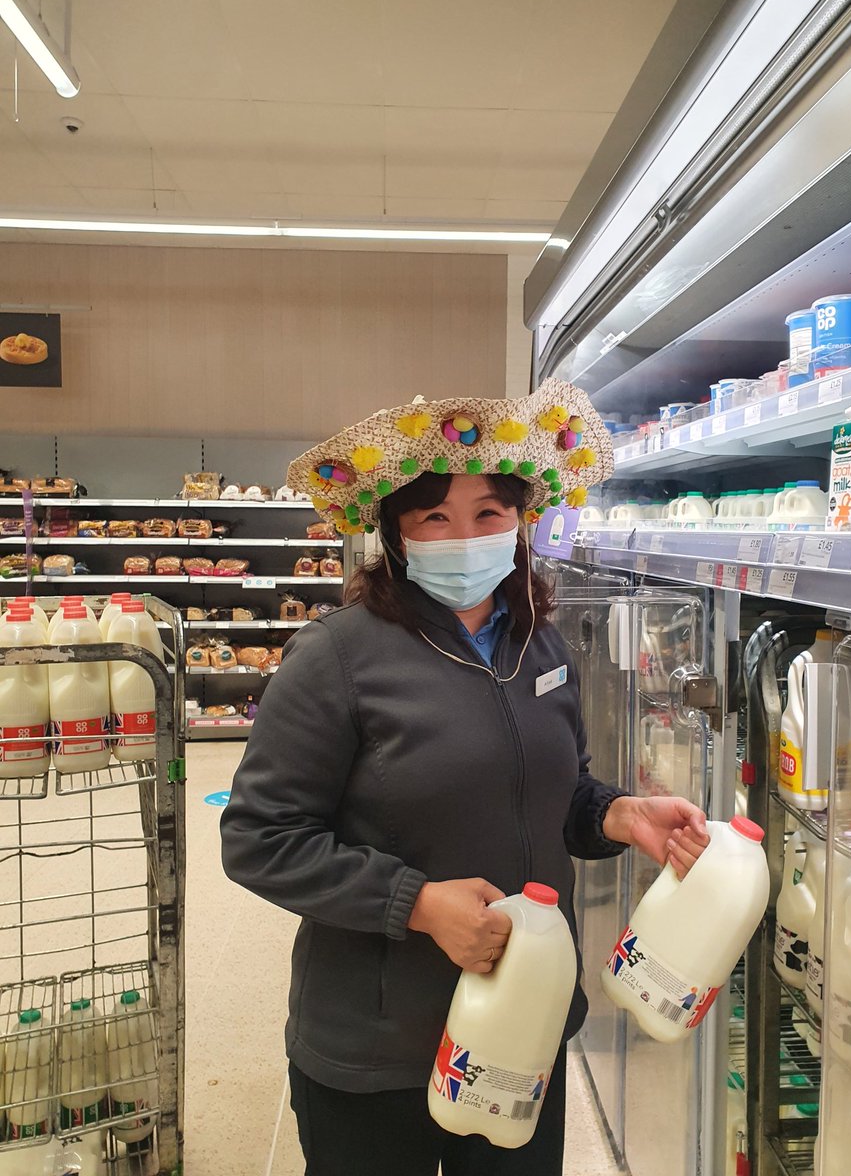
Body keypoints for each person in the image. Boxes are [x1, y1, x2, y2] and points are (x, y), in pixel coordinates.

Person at [220, 380, 709, 1176]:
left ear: (521, 523)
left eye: (489, 513)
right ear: (398, 533)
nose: (466, 535)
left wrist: (619, 815)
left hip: (523, 1024)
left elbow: (553, 790)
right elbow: (258, 838)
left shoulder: (540, 646)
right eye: (435, 516)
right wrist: (416, 904)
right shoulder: (338, 658)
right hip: (381, 1047)